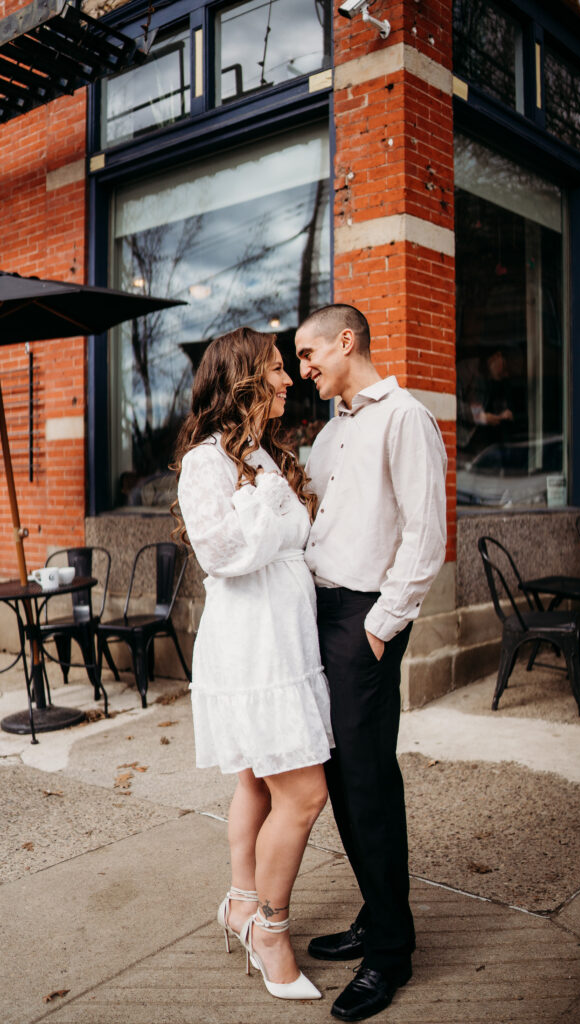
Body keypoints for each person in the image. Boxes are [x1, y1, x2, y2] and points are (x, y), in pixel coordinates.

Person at [294, 304, 448, 1021]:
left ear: (345, 341)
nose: (303, 368)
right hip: (321, 616)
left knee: (367, 779)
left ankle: (390, 951)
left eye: (307, 353)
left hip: (364, 620)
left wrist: (381, 628)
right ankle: (374, 914)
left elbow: (425, 535)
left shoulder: (403, 417)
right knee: (336, 777)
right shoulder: (330, 433)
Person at [172, 327, 333, 1002]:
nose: (289, 379)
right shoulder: (205, 463)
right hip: (252, 647)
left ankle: (241, 901)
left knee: (259, 786)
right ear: (242, 380)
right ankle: (270, 929)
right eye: (275, 369)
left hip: (286, 642)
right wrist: (269, 504)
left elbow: (288, 541)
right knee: (304, 793)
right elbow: (223, 553)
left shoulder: (268, 456)